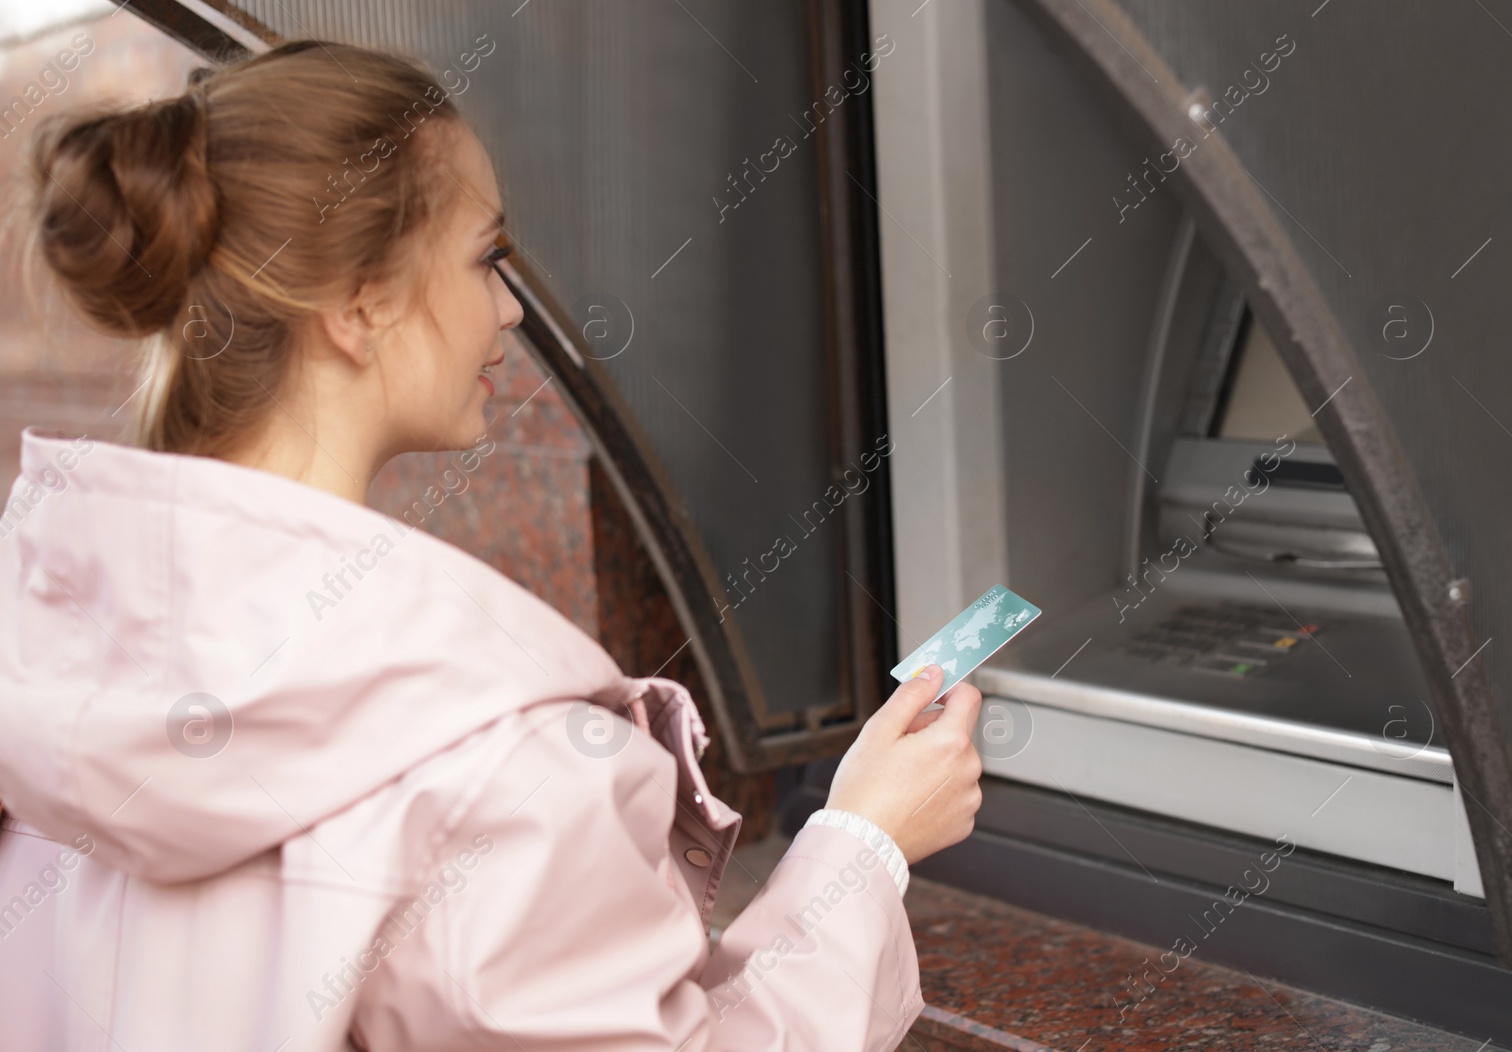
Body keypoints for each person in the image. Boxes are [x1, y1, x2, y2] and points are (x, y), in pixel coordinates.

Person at [0, 39, 984, 1051]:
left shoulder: (41, 656)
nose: (509, 310)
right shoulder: (496, 769)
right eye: (485, 258)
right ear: (359, 302)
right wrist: (863, 845)